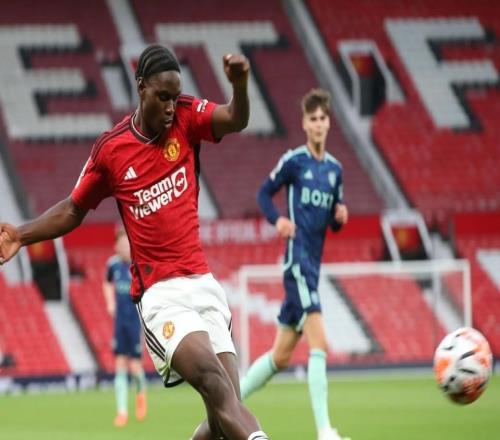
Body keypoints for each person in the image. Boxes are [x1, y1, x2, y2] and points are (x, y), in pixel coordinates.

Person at [0, 44, 269, 440]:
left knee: (224, 414)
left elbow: (235, 118)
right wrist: (21, 236)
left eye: (175, 97)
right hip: (161, 296)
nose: (170, 107)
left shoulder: (186, 117)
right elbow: (73, 209)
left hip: (203, 285)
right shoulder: (111, 150)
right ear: (141, 87)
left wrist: (241, 86)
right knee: (215, 383)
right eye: (163, 96)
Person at [240, 89, 349, 440]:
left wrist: (339, 219)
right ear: (304, 124)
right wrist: (278, 221)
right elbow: (262, 193)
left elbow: (331, 221)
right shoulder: (294, 161)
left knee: (280, 357)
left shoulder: (335, 170)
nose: (318, 124)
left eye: (322, 118)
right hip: (296, 263)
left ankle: (227, 401)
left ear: (328, 123)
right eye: (312, 119)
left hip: (313, 266)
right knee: (320, 344)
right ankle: (325, 431)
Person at [103, 226, 147, 427]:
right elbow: (106, 283)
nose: (124, 248)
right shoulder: (112, 265)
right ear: (116, 246)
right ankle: (122, 412)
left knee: (135, 366)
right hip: (120, 322)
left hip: (135, 321)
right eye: (121, 244)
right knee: (119, 363)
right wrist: (110, 302)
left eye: (126, 244)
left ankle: (140, 394)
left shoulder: (138, 265)